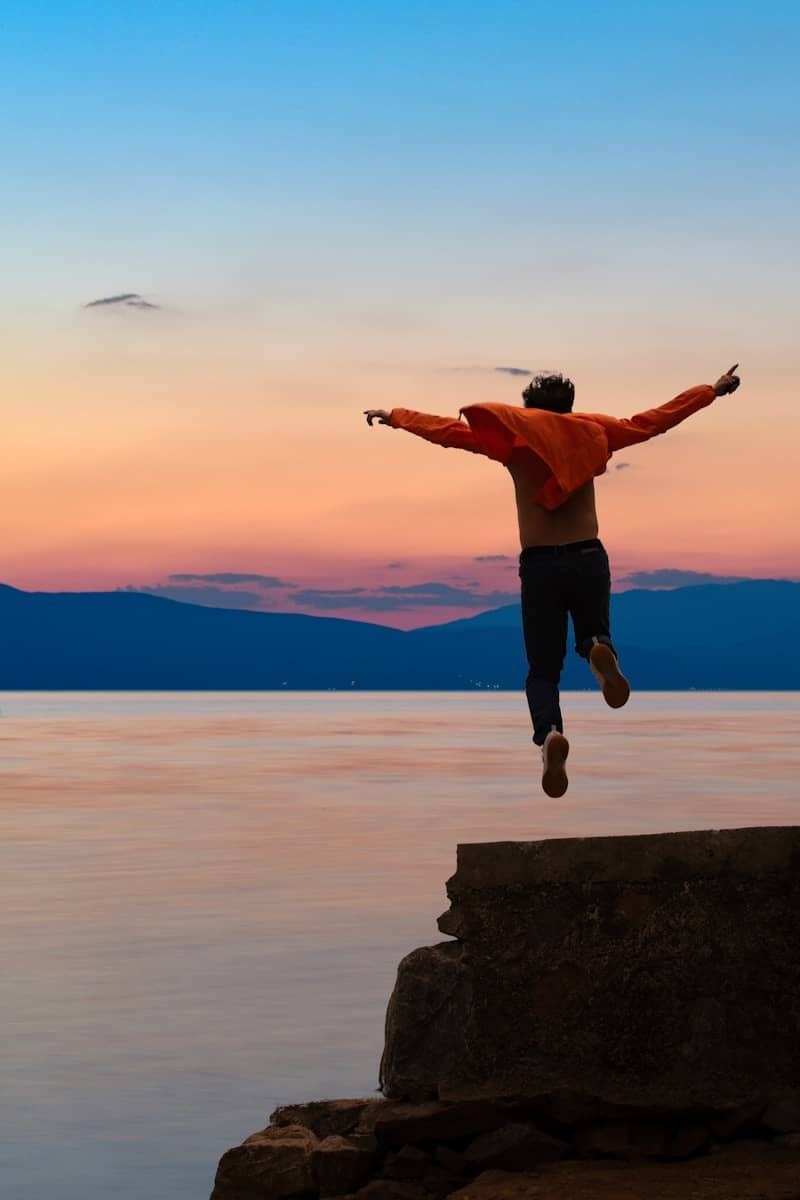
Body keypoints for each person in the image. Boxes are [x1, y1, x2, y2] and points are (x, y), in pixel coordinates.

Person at [364, 364, 741, 797]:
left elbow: (449, 431)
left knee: (543, 671)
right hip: (587, 555)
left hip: (540, 565)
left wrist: (396, 416)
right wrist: (710, 391)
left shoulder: (514, 443)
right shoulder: (594, 432)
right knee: (592, 633)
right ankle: (598, 648)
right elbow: (652, 421)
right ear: (569, 405)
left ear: (528, 410)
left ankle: (550, 736)